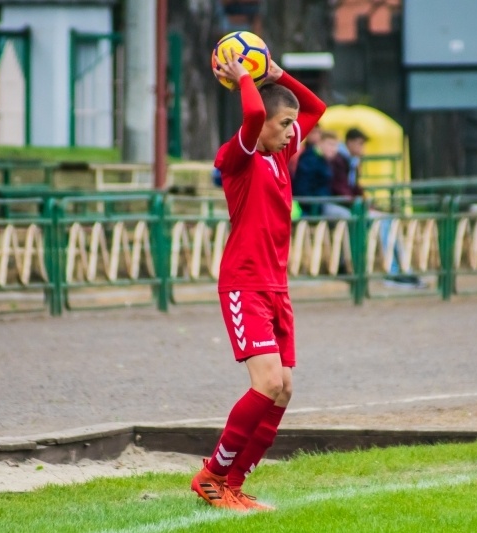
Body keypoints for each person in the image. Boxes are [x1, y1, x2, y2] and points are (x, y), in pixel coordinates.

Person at [190, 46, 326, 512]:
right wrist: (246, 78)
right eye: (283, 124)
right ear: (263, 124)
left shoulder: (279, 155)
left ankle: (232, 483)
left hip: (275, 288)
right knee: (266, 382)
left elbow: (316, 108)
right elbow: (251, 112)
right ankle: (211, 476)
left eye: (291, 126)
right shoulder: (240, 156)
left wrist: (277, 73)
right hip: (244, 284)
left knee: (283, 388)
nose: (292, 132)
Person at [330, 127, 425, 288]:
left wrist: (368, 203)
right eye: (360, 144)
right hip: (343, 207)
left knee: (388, 220)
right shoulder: (339, 160)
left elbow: (354, 188)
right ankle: (392, 271)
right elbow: (340, 189)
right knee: (383, 222)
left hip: (351, 206)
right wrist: (362, 204)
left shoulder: (351, 161)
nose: (363, 149)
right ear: (350, 143)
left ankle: (403, 268)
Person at [292, 130, 339, 216]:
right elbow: (302, 189)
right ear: (320, 143)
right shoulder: (309, 160)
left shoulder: (325, 160)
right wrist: (318, 205)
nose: (334, 149)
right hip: (311, 208)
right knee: (345, 215)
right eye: (330, 144)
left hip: (321, 203)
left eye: (335, 146)